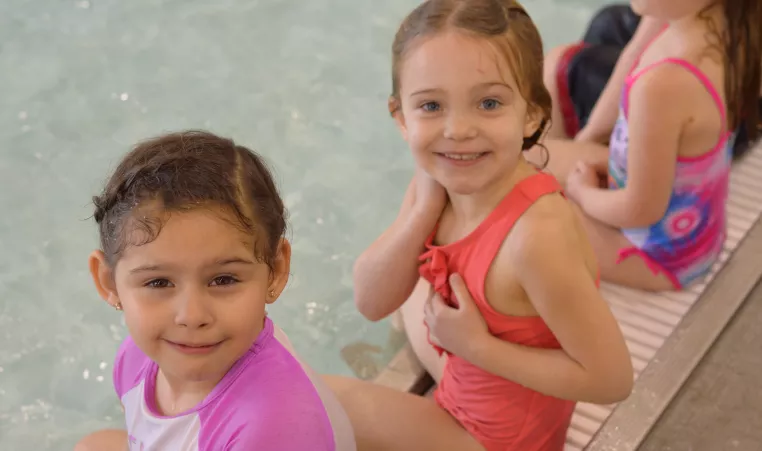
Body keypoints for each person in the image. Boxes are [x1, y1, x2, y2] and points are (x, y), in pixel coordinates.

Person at [325, 1, 634, 450]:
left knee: (315, 397)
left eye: (488, 102)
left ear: (530, 113)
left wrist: (477, 347)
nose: (458, 130)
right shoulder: (439, 179)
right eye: (431, 105)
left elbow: (611, 379)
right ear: (401, 118)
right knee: (403, 296)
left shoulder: (536, 236)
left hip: (496, 439)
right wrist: (423, 210)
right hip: (465, 374)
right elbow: (369, 299)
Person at [74, 131, 356, 451]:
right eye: (158, 283)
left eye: (223, 280)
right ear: (109, 283)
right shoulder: (136, 358)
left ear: (275, 270)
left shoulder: (274, 427)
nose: (192, 316)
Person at [526, 0, 762, 291]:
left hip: (657, 259)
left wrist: (581, 194)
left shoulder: (662, 86)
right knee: (522, 161)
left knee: (521, 208)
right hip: (689, 229)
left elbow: (640, 210)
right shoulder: (730, 28)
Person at [543, 3, 761, 159]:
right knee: (607, 22)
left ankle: (600, 155)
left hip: (736, 123)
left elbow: (639, 208)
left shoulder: (662, 83)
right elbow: (638, 46)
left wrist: (582, 148)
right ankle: (599, 145)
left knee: (563, 65)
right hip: (732, 89)